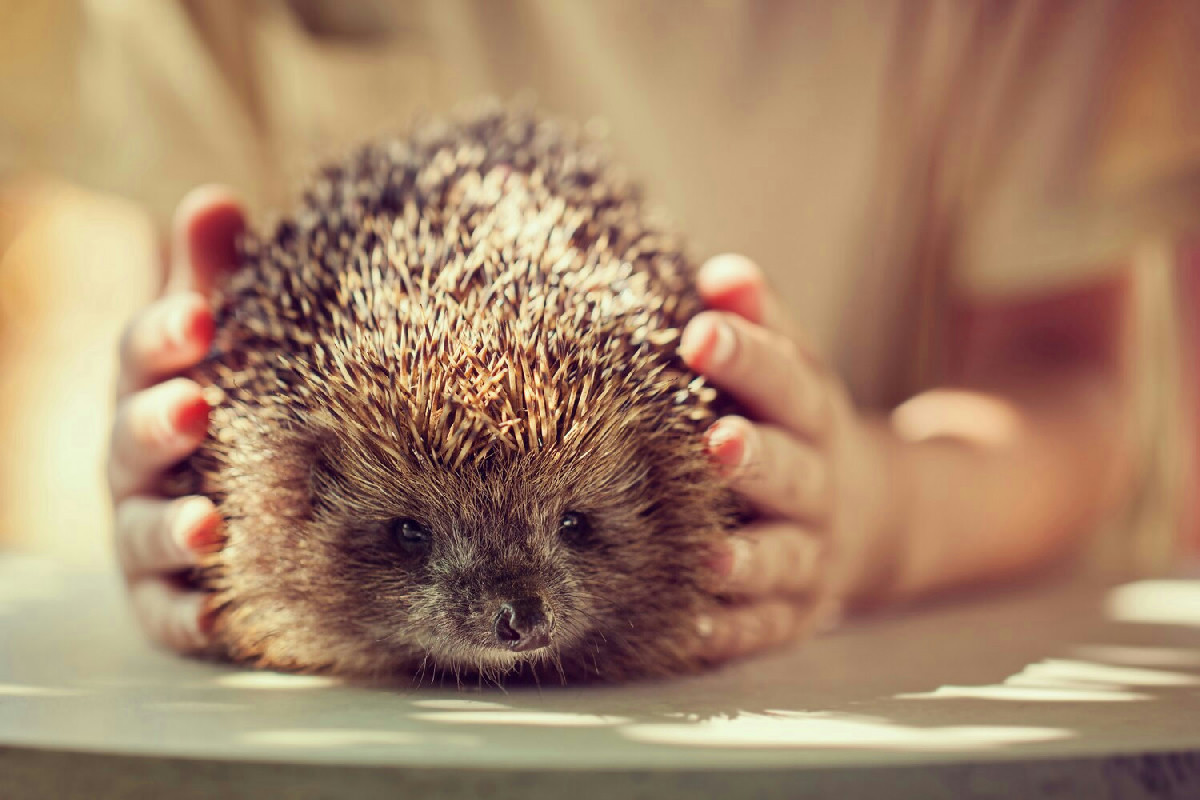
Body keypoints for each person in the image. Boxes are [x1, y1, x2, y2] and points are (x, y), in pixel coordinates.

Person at [10, 2, 1193, 661]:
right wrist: (169, 466)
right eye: (408, 533)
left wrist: (882, 511)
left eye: (578, 523)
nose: (514, 609)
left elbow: (1076, 374)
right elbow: (212, 311)